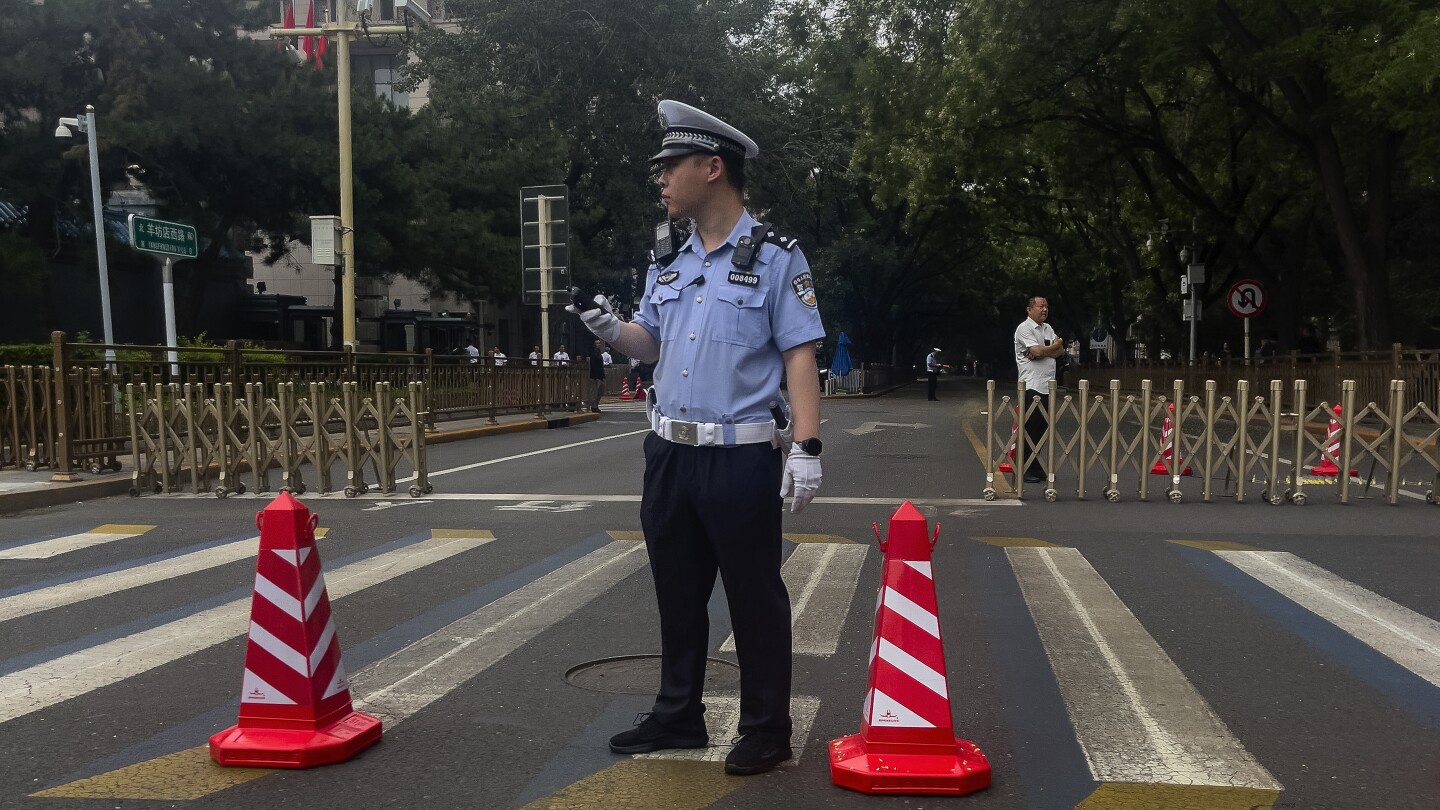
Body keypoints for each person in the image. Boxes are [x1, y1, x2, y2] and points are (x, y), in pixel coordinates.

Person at [565, 99, 823, 777]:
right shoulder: (667, 260)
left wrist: (808, 447)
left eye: (669, 165)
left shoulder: (775, 258)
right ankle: (679, 712)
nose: (660, 178)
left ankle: (767, 727)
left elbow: (800, 353)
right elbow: (649, 343)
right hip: (669, 452)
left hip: (739, 455)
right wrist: (610, 331)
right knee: (676, 593)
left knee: (753, 596)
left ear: (713, 168)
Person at [1014, 296, 1063, 484]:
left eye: (1047, 306)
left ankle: (1035, 466)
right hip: (1031, 385)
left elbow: (1059, 352)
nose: (1045, 309)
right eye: (1041, 306)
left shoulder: (1047, 328)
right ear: (1029, 309)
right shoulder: (1024, 328)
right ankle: (1024, 468)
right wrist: (1053, 347)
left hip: (1047, 385)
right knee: (1030, 428)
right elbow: (1036, 352)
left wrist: (1048, 349)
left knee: (1042, 429)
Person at [587, 340, 608, 412]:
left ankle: (595, 404)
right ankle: (593, 406)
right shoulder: (593, 354)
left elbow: (600, 366)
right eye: (596, 343)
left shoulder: (599, 353)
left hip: (601, 375)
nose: (598, 344)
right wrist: (596, 377)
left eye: (599, 343)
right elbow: (593, 366)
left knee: (601, 391)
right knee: (595, 392)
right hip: (595, 376)